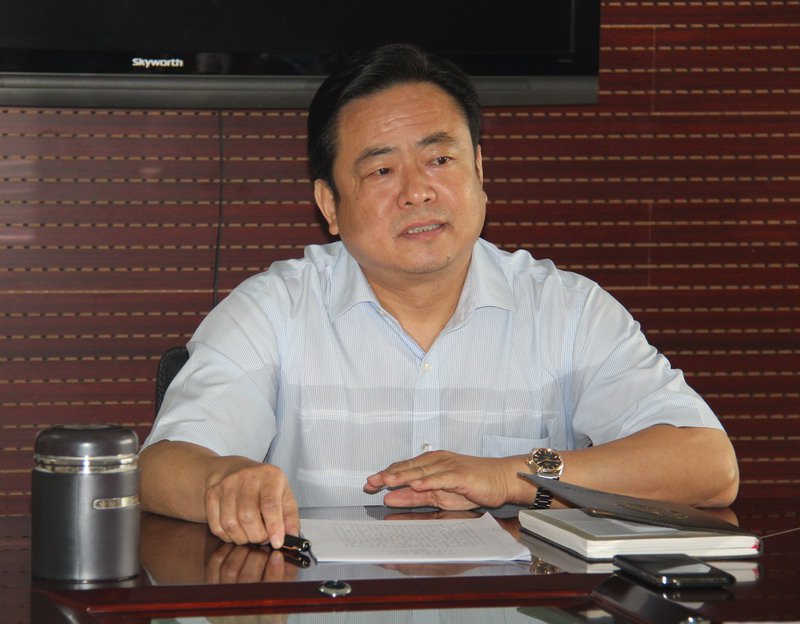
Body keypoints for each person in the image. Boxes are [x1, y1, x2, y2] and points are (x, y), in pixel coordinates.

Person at [140, 43, 739, 549]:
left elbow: (708, 465)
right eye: (381, 171)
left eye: (440, 159)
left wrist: (515, 476)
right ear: (329, 205)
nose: (418, 192)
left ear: (479, 170)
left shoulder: (567, 310)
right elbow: (161, 466)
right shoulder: (272, 311)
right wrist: (226, 478)